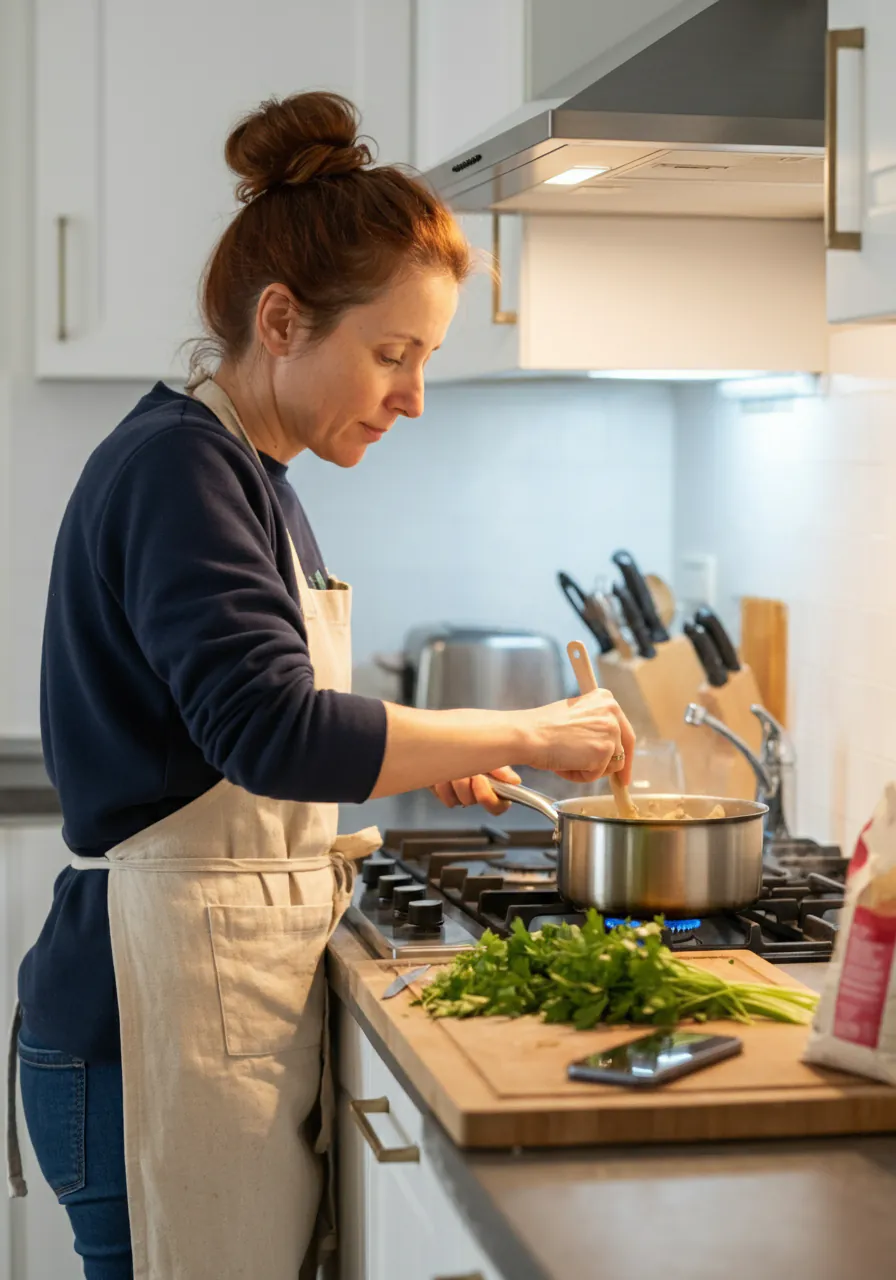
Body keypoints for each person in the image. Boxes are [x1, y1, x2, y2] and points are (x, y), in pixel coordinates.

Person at [7, 91, 634, 1279]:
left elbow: (259, 720)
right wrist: (534, 727)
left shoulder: (244, 468)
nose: (410, 394)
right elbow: (271, 729)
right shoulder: (179, 469)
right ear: (282, 319)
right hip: (136, 1026)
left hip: (184, 997)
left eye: (424, 359)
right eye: (391, 353)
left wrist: (446, 748)